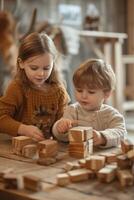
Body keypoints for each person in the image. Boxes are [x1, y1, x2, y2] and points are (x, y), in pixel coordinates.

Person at [0, 32, 69, 141]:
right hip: (18, 150)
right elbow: (1, 118)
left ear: (53, 63)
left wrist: (63, 126)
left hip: (47, 149)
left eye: (46, 68)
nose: (41, 74)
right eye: (34, 68)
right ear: (21, 63)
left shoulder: (59, 91)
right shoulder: (17, 88)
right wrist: (23, 129)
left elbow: (63, 121)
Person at [52, 59, 127, 148]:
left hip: (103, 158)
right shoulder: (72, 111)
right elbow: (63, 138)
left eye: (91, 92)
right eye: (79, 90)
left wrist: (102, 137)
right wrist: (59, 128)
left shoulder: (111, 114)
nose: (83, 96)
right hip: (78, 157)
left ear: (106, 94)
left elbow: (122, 133)